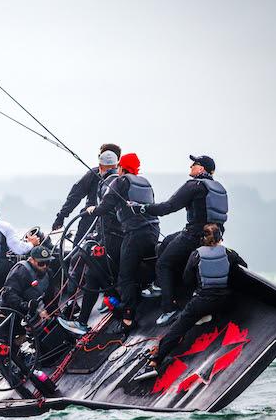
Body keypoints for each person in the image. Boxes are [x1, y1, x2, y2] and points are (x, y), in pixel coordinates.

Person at [139, 224, 246, 378]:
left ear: (203, 239)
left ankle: (154, 362)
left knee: (177, 328)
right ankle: (209, 317)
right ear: (220, 238)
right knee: (211, 304)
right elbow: (243, 267)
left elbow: (187, 279)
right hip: (225, 301)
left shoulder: (196, 254)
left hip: (203, 302)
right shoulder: (230, 253)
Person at [140, 155, 229, 326]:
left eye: (194, 164)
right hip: (213, 237)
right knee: (166, 243)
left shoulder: (194, 185)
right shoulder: (217, 187)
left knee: (163, 264)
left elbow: (168, 207)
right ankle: (160, 285)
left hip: (194, 235)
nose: (190, 166)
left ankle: (168, 308)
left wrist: (143, 208)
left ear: (201, 169)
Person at [79, 153, 159, 331]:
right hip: (153, 232)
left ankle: (128, 319)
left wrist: (93, 210)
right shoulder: (145, 182)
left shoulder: (120, 181)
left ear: (121, 167)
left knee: (125, 277)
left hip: (134, 234)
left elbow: (106, 206)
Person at [57, 155, 123, 334]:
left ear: (101, 166)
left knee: (87, 266)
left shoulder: (108, 180)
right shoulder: (127, 180)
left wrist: (62, 216)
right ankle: (88, 316)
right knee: (96, 274)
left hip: (108, 237)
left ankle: (117, 309)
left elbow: (78, 196)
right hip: (121, 236)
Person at [0, 245, 53, 321]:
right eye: (41, 263)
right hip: (18, 312)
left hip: (38, 310)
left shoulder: (48, 273)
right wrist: (28, 307)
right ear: (31, 260)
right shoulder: (21, 271)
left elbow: (50, 295)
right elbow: (9, 295)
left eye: (47, 262)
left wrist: (51, 311)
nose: (44, 266)